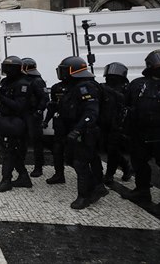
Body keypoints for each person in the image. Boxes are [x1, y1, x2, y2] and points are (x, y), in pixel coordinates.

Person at [123, 50, 160, 216]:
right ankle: (142, 190)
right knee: (139, 162)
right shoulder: (138, 83)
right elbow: (127, 103)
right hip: (140, 131)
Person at [56, 56, 107, 209]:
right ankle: (97, 187)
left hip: (85, 132)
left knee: (81, 163)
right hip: (75, 130)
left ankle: (84, 196)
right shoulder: (75, 86)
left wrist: (78, 130)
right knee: (72, 160)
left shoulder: (86, 87)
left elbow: (91, 112)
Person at [0, 56, 33, 192]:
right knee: (12, 153)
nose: (6, 70)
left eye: (8, 68)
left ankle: (6, 180)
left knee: (8, 153)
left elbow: (19, 106)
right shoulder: (6, 81)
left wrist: (1, 97)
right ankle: (24, 177)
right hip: (6, 121)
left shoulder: (23, 83)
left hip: (16, 122)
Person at [99, 62, 132, 184]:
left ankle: (110, 174)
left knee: (113, 150)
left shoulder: (126, 88)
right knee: (108, 149)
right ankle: (125, 165)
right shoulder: (102, 87)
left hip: (118, 124)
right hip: (103, 121)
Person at [22, 58, 49, 178]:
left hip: (33, 115)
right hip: (24, 113)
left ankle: (39, 167)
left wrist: (38, 111)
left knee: (36, 142)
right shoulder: (24, 80)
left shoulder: (37, 81)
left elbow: (44, 98)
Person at [43, 80, 69, 184]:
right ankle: (59, 174)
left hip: (72, 126)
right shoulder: (56, 87)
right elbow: (52, 108)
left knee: (75, 155)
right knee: (57, 151)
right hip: (59, 125)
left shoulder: (78, 87)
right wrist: (46, 121)